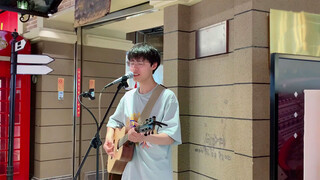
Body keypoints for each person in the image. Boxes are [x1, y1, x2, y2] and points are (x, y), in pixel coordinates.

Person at [103, 43, 181, 180]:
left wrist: (144, 137)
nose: (134, 68)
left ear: (154, 65)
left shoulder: (167, 97)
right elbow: (114, 121)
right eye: (131, 63)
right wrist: (109, 138)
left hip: (156, 173)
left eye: (140, 63)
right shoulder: (128, 97)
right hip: (129, 172)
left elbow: (170, 137)